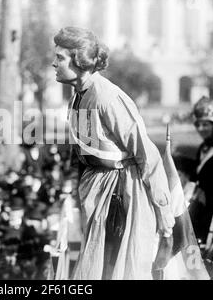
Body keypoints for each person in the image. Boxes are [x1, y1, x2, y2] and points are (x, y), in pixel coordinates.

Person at [52, 27, 175, 279]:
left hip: (121, 192)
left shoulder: (108, 98)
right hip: (96, 189)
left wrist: (165, 215)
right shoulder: (77, 96)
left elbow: (147, 155)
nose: (53, 63)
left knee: (116, 269)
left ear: (80, 61)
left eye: (60, 58)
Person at [191, 97, 213, 243]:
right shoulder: (203, 147)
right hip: (203, 201)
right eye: (198, 125)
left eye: (206, 125)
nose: (201, 129)